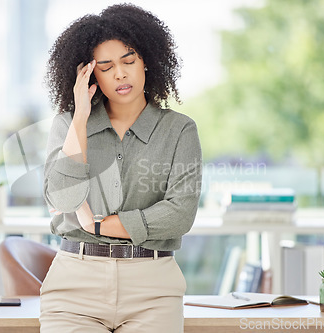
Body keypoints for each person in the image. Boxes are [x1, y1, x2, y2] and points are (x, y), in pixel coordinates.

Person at [41, 4, 202, 332]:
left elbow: (179, 215)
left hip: (153, 289)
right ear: (90, 74)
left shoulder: (180, 130)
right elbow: (61, 198)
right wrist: (81, 117)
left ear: (147, 61)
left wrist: (99, 225)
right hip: (75, 286)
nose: (120, 73)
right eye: (106, 66)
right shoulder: (68, 126)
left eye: (129, 61)